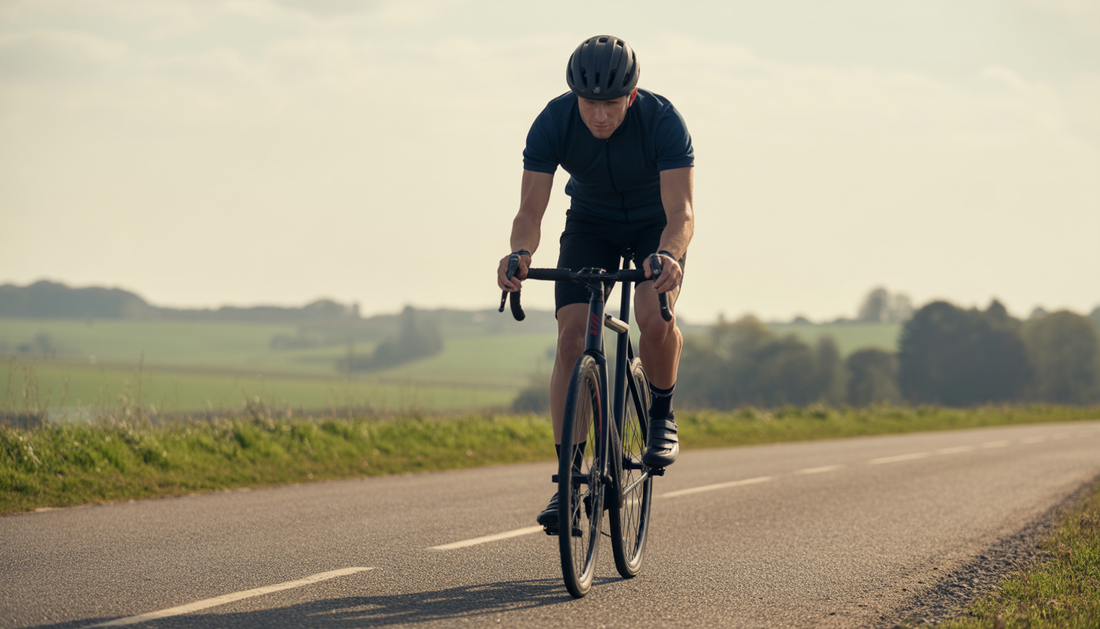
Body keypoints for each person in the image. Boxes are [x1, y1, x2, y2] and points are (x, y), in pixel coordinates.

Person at [496, 35, 694, 530]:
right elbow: (529, 213)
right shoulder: (553, 122)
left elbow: (682, 213)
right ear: (575, 97)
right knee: (570, 336)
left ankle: (661, 415)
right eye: (589, 104)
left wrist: (669, 255)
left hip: (655, 228)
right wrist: (520, 254)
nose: (599, 116)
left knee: (652, 315)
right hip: (591, 224)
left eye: (610, 104)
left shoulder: (664, 122)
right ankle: (568, 483)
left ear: (630, 96)